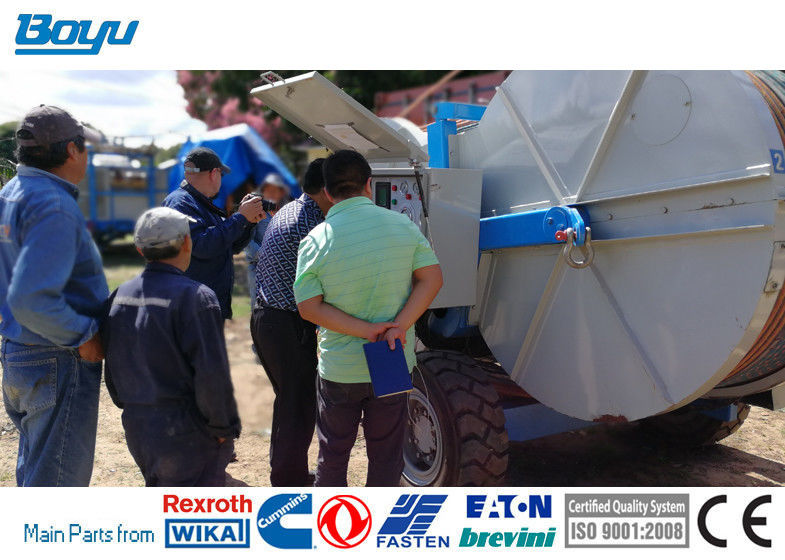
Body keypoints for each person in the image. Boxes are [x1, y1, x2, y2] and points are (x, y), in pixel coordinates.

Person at [294, 150, 443, 487]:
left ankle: (332, 520)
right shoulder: (403, 226)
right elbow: (433, 279)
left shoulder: (316, 240)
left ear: (327, 192)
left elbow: (309, 308)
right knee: (387, 455)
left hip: (340, 366)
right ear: (368, 184)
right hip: (391, 355)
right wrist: (397, 327)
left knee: (333, 454)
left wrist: (367, 330)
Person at [0, 105, 108, 486]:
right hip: (56, 358)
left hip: (20, 353)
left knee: (37, 472)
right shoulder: (54, 204)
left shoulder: (10, 194)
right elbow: (30, 299)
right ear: (72, 150)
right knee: (58, 486)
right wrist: (84, 335)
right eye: (85, 147)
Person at [102, 207, 240, 486]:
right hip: (186, 431)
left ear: (140, 250)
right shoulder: (197, 297)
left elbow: (113, 366)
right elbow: (211, 373)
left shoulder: (119, 295)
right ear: (187, 243)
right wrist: (223, 426)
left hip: (139, 427)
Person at [250, 158, 332, 486]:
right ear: (327, 189)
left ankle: (287, 472)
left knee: (290, 401)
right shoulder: (312, 222)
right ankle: (289, 480)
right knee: (298, 405)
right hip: (286, 324)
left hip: (268, 320)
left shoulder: (289, 210)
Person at [162, 147, 264, 320]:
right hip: (191, 310)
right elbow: (201, 245)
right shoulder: (180, 203)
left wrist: (248, 222)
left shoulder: (199, 204)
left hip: (202, 307)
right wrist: (240, 217)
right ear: (214, 173)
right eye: (221, 175)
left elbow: (229, 246)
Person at [244, 173, 291, 300]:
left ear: (281, 192)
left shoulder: (287, 211)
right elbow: (247, 239)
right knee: (258, 304)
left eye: (275, 190)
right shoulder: (256, 210)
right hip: (257, 266)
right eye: (268, 190)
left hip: (282, 267)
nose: (271, 193)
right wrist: (263, 255)